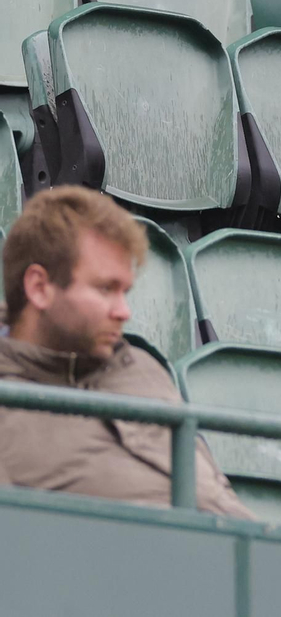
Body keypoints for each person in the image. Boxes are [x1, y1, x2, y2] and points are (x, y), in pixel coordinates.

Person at [0, 187, 251, 517]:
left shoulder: (141, 369)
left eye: (125, 292)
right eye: (105, 289)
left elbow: (218, 497)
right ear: (39, 288)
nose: (123, 311)